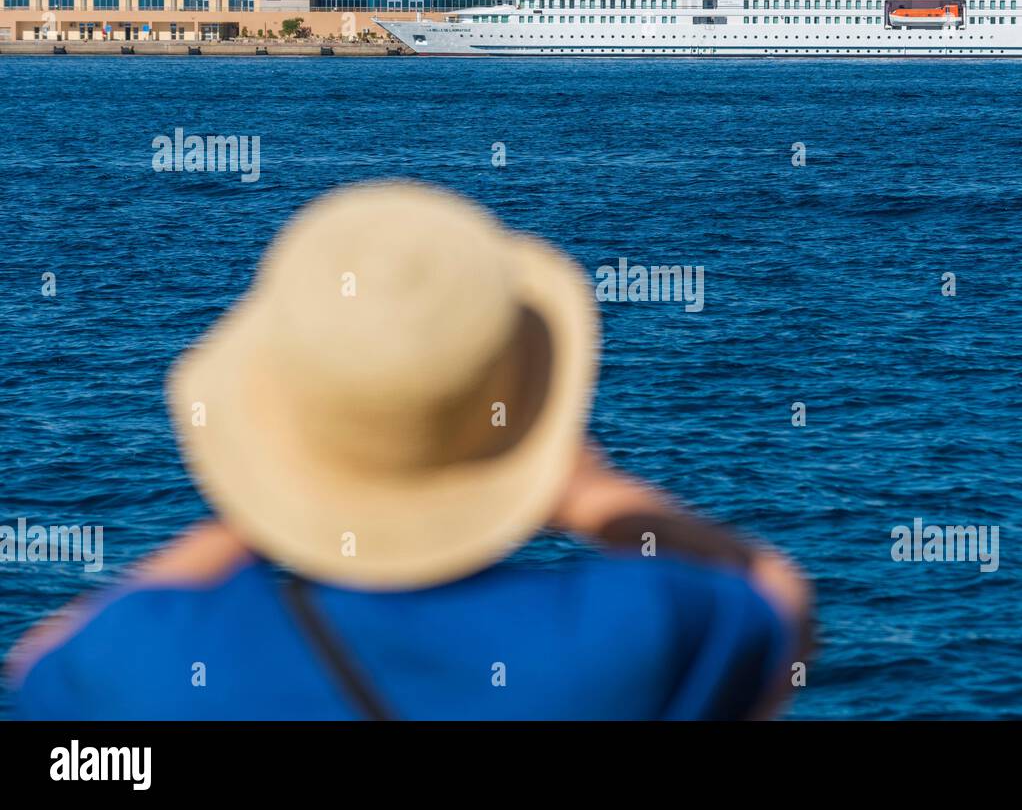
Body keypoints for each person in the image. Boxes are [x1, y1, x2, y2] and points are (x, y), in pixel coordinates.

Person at [8, 182, 812, 720]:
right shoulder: (634, 632)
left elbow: (41, 659)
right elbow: (777, 595)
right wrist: (592, 495)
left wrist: (261, 507)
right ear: (528, 420)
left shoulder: (150, 665)